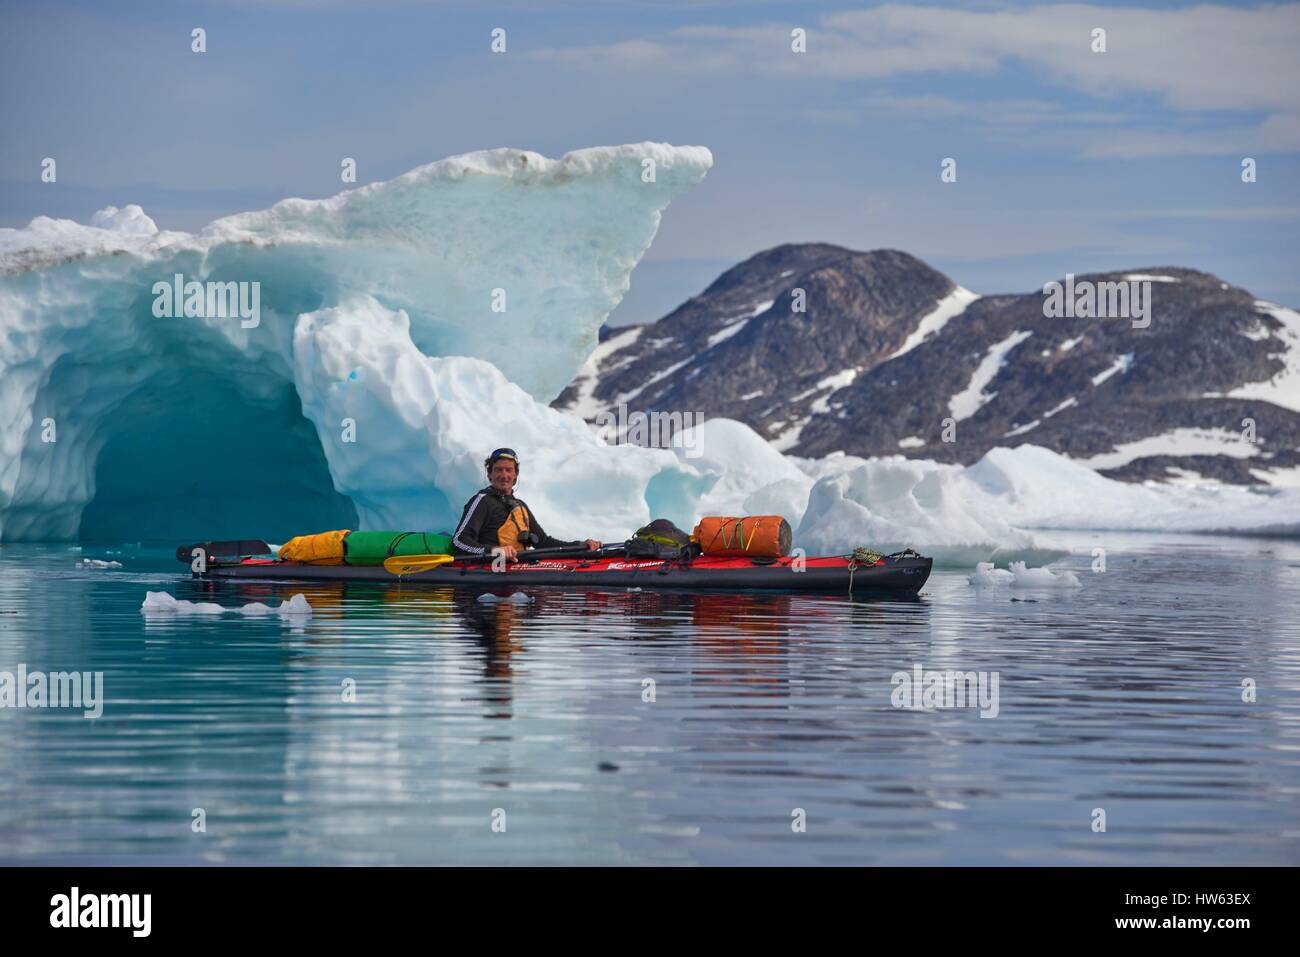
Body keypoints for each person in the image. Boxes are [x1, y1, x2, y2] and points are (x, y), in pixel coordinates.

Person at [451, 448, 601, 561]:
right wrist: (495, 550)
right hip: (487, 573)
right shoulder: (482, 501)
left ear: (515, 475)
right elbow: (459, 542)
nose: (504, 475)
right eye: (498, 470)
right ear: (489, 474)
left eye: (509, 470)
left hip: (516, 567)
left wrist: (581, 545)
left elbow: (543, 543)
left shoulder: (520, 506)